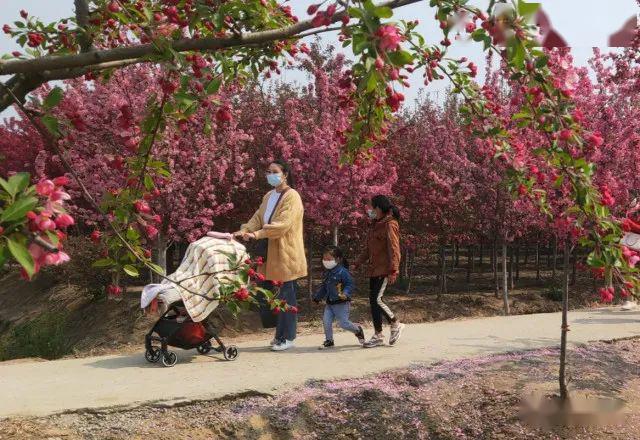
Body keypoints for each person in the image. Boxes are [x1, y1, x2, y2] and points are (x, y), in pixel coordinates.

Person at [234, 160, 307, 351]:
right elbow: (258, 217)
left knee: (286, 296)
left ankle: (289, 337)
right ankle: (279, 335)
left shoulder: (292, 197)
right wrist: (245, 230)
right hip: (269, 251)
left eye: (274, 171)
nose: (270, 175)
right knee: (272, 297)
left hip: (285, 252)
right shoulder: (269, 195)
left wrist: (257, 234)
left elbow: (283, 225)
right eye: (268, 171)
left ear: (285, 174)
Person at [355, 195, 405, 348]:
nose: (369, 211)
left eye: (372, 207)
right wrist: (357, 262)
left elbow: (394, 248)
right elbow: (368, 249)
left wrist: (394, 270)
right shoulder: (375, 225)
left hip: (385, 269)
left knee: (377, 299)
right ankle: (378, 334)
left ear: (379, 208)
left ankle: (395, 323)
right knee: (373, 302)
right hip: (374, 269)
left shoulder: (390, 224)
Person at [312, 245, 366, 349]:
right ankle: (329, 340)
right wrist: (317, 298)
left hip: (342, 303)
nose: (326, 261)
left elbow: (350, 284)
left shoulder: (343, 272)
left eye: (329, 259)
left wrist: (345, 293)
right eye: (324, 259)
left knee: (343, 324)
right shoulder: (328, 273)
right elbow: (324, 287)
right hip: (330, 304)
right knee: (326, 321)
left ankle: (358, 330)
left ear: (338, 259)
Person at [621, 198, 640, 311]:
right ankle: (630, 299)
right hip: (632, 246)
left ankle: (635, 298)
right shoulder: (634, 204)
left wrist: (630, 224)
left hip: (636, 244)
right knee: (629, 272)